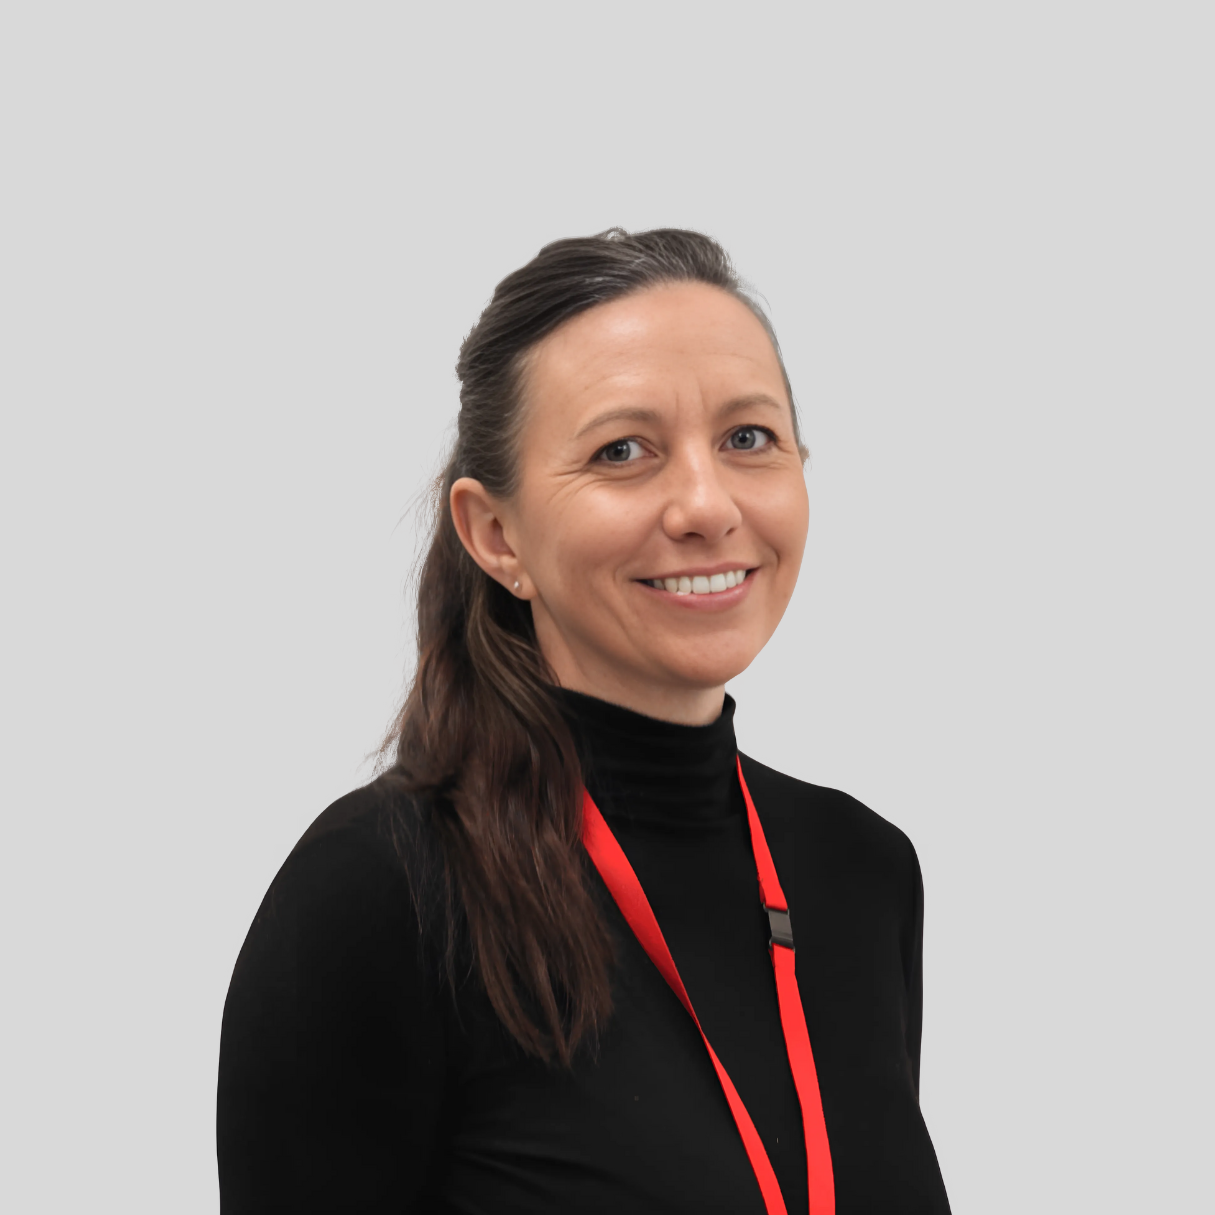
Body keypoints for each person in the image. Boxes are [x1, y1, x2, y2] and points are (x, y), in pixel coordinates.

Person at [216, 228, 951, 1214]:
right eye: (623, 451)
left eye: (748, 438)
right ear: (496, 535)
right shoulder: (384, 889)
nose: (705, 503)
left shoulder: (862, 870)